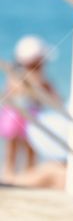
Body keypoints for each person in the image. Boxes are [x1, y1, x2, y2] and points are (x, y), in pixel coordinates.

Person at [1, 36, 59, 180]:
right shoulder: (17, 76)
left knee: (31, 149)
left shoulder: (41, 79)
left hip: (31, 117)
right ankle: (9, 174)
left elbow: (54, 96)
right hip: (16, 116)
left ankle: (27, 175)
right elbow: (12, 91)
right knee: (12, 149)